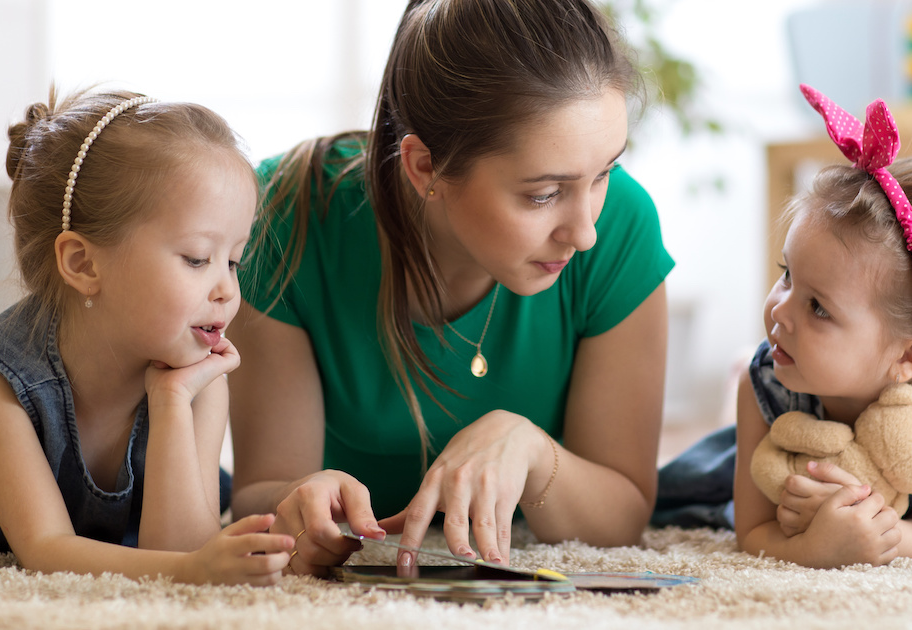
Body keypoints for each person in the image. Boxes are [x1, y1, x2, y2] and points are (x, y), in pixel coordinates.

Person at [228, 0, 674, 576]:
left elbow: (624, 516)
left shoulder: (624, 226)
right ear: (423, 167)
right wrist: (301, 501)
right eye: (542, 195)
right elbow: (260, 489)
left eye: (604, 172)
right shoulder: (286, 216)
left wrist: (535, 451)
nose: (585, 232)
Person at [0, 88, 295, 586]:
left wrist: (169, 401)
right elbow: (45, 548)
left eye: (233, 260)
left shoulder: (198, 379)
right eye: (196, 259)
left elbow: (183, 553)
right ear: (83, 263)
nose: (227, 290)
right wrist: (190, 567)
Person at [654, 85, 912, 569]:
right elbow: (751, 530)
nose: (779, 310)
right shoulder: (764, 381)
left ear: (908, 357)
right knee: (679, 492)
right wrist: (810, 547)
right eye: (787, 275)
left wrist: (872, 530)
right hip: (770, 449)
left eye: (819, 309)